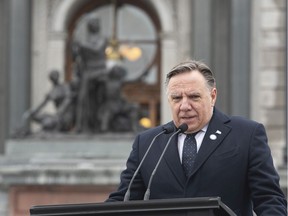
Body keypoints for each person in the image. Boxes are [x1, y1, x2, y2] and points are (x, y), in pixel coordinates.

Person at [106, 60, 287, 215]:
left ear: (212, 96)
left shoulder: (246, 134)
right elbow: (124, 200)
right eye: (177, 98)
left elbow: (269, 200)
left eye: (193, 96)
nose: (185, 106)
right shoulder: (148, 142)